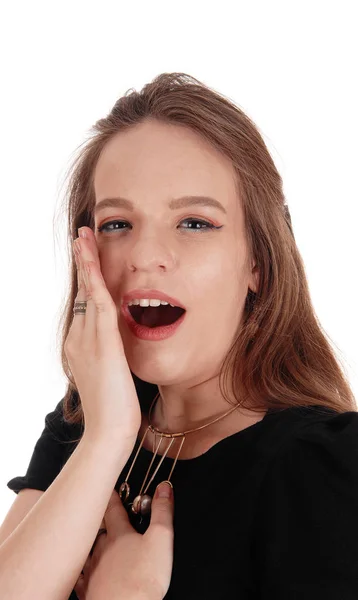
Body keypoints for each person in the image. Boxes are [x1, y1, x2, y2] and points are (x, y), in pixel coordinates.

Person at [2, 71, 358, 599]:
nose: (145, 257)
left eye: (194, 223)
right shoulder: (91, 415)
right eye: (116, 224)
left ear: (258, 261)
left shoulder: (324, 469)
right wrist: (106, 438)